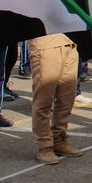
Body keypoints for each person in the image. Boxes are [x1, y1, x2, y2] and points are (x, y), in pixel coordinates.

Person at [28, 33, 82, 164]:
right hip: (46, 44)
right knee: (44, 100)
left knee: (67, 98)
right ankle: (44, 146)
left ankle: (58, 139)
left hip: (69, 42)